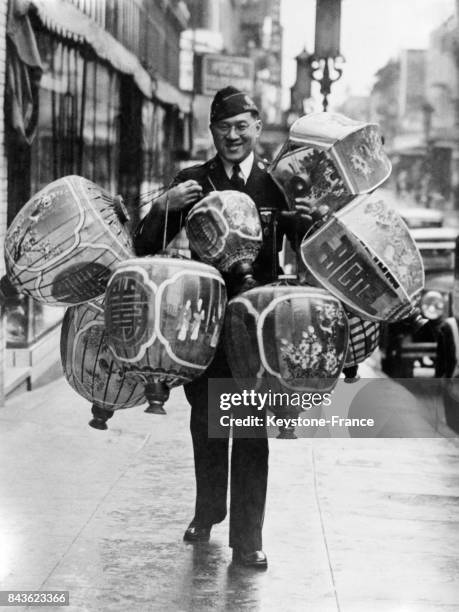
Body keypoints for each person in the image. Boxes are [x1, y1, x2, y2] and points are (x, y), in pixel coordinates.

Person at [134, 86, 309, 568]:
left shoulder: (276, 188)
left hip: (257, 335)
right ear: (211, 131)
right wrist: (165, 205)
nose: (232, 136)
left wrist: (311, 220)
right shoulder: (194, 181)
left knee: (251, 433)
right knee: (208, 426)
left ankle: (248, 538)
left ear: (256, 127)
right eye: (222, 128)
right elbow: (145, 245)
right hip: (204, 327)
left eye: (240, 127)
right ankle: (207, 512)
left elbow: (309, 248)